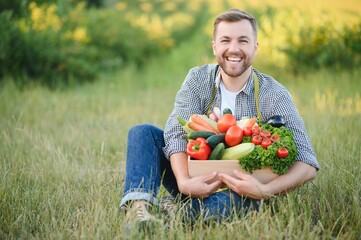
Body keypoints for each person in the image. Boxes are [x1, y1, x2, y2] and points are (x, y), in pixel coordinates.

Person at [120, 8, 319, 224]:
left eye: (243, 41)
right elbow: (176, 131)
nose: (234, 49)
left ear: (255, 47)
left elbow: (307, 163)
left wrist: (263, 190)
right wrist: (184, 181)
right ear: (214, 46)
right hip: (193, 176)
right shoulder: (198, 79)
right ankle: (139, 212)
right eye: (225, 40)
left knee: (226, 204)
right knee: (143, 133)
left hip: (241, 190)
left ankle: (174, 214)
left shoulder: (274, 94)